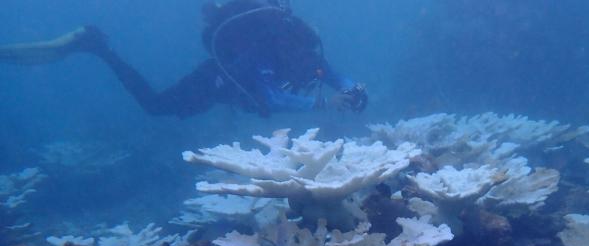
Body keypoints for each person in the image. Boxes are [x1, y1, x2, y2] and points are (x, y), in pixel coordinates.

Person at [0, 0, 367, 118]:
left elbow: (331, 72)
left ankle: (95, 46)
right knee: (156, 106)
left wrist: (353, 89)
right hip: (215, 80)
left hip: (231, 89)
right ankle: (97, 45)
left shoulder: (302, 44)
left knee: (167, 109)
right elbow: (271, 96)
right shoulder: (263, 49)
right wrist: (323, 104)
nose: (303, 58)